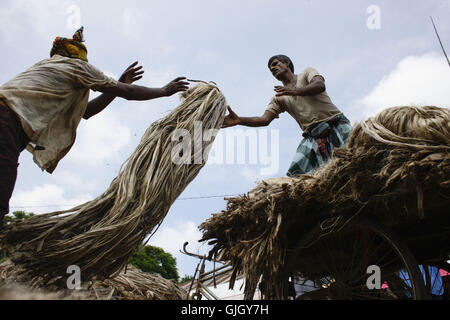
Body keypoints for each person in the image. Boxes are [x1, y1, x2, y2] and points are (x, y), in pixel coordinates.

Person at [0, 27, 189, 225]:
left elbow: (86, 112)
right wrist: (164, 90)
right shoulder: (77, 68)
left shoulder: (47, 68)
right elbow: (129, 92)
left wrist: (117, 85)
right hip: (6, 124)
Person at [222, 54, 352, 177]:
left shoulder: (307, 73)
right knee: (295, 177)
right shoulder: (279, 97)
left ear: (286, 63)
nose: (273, 69)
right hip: (312, 138)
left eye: (275, 64)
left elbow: (319, 85)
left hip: (336, 125)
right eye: (271, 70)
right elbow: (264, 119)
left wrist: (296, 91)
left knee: (356, 153)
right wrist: (239, 120)